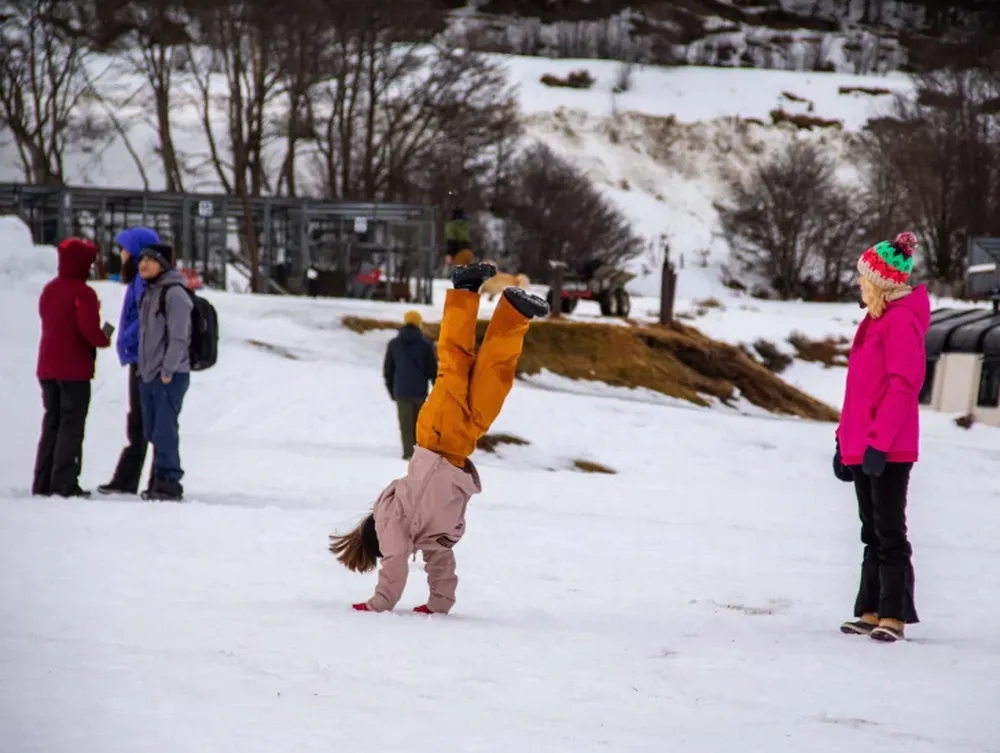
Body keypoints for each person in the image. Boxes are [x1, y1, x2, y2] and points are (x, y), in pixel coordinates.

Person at [329, 263, 549, 614]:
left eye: (385, 550)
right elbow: (442, 565)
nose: (394, 551)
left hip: (436, 438)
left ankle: (464, 289)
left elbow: (395, 562)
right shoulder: (429, 537)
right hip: (459, 445)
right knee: (495, 379)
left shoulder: (389, 519)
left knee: (455, 363)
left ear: (377, 539)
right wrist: (439, 604)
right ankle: (514, 312)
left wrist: (379, 603)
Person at [834, 231, 929, 643]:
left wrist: (878, 442)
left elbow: (903, 385)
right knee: (870, 532)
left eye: (864, 276)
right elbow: (858, 392)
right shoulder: (873, 322)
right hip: (863, 445)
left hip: (888, 446)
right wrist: (843, 442)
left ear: (880, 282)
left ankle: (894, 615)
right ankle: (870, 611)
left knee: (889, 531)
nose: (859, 282)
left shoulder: (901, 322)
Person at [32, 238, 113, 498]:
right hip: (74, 369)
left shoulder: (50, 289)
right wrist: (104, 337)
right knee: (71, 425)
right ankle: (64, 483)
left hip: (47, 367)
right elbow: (89, 332)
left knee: (52, 423)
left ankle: (43, 481)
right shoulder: (83, 293)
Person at [98, 227, 161, 496]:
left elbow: (145, 317)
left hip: (144, 358)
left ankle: (133, 479)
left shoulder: (144, 281)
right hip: (139, 356)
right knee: (139, 420)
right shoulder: (138, 279)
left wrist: (126, 338)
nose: (120, 253)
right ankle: (130, 478)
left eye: (124, 248)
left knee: (142, 421)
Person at [136, 243, 193, 502]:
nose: (143, 264)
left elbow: (180, 337)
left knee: (164, 429)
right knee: (152, 430)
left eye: (151, 260)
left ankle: (169, 481)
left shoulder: (175, 294)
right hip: (149, 374)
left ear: (164, 264)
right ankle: (158, 479)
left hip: (169, 375)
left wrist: (168, 369)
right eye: (141, 259)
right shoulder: (150, 292)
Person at [383, 309, 438, 460]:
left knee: (406, 426)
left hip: (401, 391)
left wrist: (392, 391)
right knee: (420, 425)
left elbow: (388, 371)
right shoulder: (426, 345)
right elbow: (432, 371)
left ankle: (409, 454)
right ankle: (421, 455)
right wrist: (437, 392)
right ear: (419, 324)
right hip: (420, 391)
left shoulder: (394, 344)